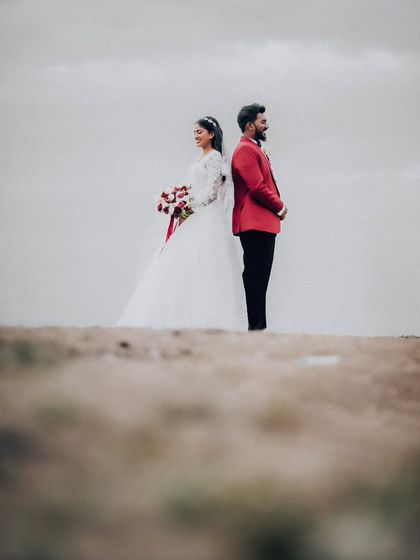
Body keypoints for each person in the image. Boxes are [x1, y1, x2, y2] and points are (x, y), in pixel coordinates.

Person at [117, 116, 246, 330]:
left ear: (211, 134)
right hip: (194, 214)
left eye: (199, 132)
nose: (196, 136)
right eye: (194, 133)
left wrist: (188, 206)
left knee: (203, 263)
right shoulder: (199, 157)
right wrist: (176, 197)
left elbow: (212, 193)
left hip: (206, 217)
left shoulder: (214, 157)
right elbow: (193, 185)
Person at [231, 103, 288, 331]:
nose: (267, 125)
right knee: (255, 278)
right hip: (254, 223)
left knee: (260, 278)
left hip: (261, 224)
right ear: (249, 125)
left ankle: (258, 326)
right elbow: (257, 187)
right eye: (263, 121)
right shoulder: (245, 149)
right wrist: (280, 206)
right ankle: (255, 327)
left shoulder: (254, 147)